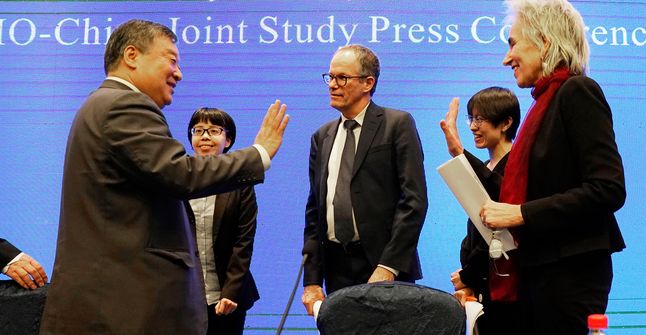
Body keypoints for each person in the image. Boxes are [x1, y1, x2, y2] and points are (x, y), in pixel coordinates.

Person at [39, 19, 289, 335]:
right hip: (124, 311)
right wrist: (259, 153)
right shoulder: (124, 105)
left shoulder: (103, 103)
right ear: (132, 55)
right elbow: (180, 174)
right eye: (171, 59)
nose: (179, 73)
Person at [450, 0, 625, 335]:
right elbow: (517, 193)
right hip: (536, 272)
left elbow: (608, 189)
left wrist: (521, 214)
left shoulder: (577, 92)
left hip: (567, 276)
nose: (506, 58)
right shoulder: (543, 103)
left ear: (544, 43)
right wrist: (462, 156)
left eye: (513, 43)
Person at [301, 44, 428, 316]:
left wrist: (389, 266)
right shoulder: (321, 137)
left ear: (368, 83)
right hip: (337, 271)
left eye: (342, 78)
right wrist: (312, 280)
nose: (332, 85)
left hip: (385, 268)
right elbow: (315, 212)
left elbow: (413, 201)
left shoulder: (397, 124)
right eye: (330, 77)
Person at [440, 87, 521, 334]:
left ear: (506, 122)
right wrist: (468, 277)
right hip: (484, 287)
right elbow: (475, 227)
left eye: (481, 119)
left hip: (511, 289)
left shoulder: (518, 166)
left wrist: (469, 274)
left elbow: (499, 231)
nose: (473, 127)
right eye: (471, 119)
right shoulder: (486, 165)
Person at [187, 108, 260, 335]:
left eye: (214, 130)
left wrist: (231, 292)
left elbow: (243, 243)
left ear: (227, 140)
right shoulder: (178, 178)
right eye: (198, 130)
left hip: (228, 297)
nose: (205, 136)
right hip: (184, 297)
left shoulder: (240, 183)